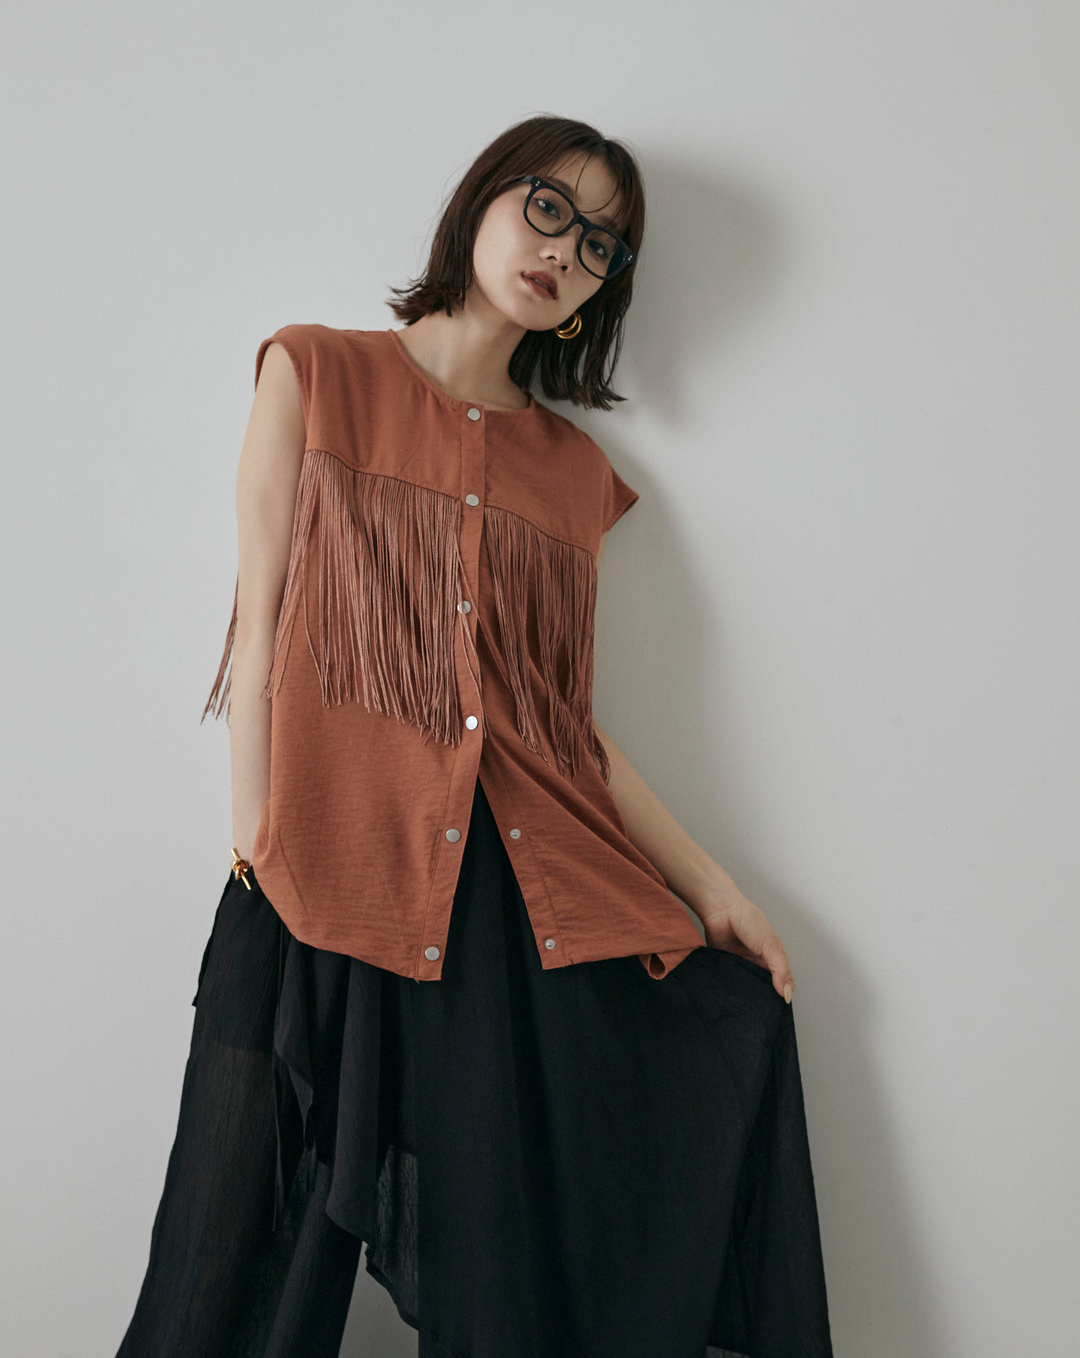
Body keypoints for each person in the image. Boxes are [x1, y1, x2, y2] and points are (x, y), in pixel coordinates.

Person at [113, 114, 834, 1358]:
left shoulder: (575, 475)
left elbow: (561, 728)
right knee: (223, 1272)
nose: (566, 250)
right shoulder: (313, 372)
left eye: (600, 244)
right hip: (317, 876)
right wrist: (258, 850)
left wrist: (712, 889)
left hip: (501, 919)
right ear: (483, 200)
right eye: (548, 207)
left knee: (517, 1286)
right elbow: (263, 629)